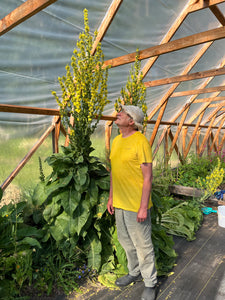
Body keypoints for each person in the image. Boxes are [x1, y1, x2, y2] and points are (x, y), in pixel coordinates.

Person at [107, 104, 157, 300]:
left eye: (124, 113)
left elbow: (148, 177)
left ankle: (150, 283)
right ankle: (134, 272)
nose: (118, 114)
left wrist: (143, 207)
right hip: (119, 203)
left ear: (132, 121)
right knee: (126, 242)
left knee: (143, 245)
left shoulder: (140, 141)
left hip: (136, 205)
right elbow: (114, 172)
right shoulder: (117, 140)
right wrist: (111, 197)